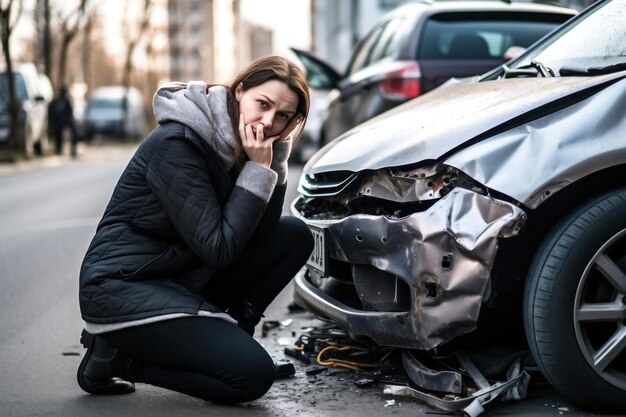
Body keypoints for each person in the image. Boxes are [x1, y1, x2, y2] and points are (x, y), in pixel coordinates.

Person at [76, 55, 313, 404]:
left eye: (282, 116)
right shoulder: (178, 143)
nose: (267, 122)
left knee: (294, 236)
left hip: (182, 273)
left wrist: (272, 160)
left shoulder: (247, 144)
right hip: (123, 286)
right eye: (262, 105)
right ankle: (121, 360)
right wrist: (257, 171)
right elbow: (219, 248)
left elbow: (261, 233)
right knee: (250, 378)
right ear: (239, 91)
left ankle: (236, 340)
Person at [48, 86, 78, 156]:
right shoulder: (56, 101)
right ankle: (59, 149)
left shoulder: (64, 100)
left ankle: (72, 148)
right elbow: (51, 112)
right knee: (58, 134)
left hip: (64, 120)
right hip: (58, 121)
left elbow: (70, 111)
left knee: (73, 131)